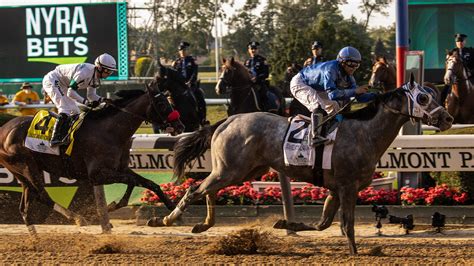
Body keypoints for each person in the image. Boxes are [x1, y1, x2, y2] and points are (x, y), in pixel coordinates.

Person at [290, 46, 373, 146]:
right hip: (300, 82)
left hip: (316, 87)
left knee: (334, 106)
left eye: (356, 65)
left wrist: (378, 96)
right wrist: (355, 91)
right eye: (351, 64)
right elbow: (333, 94)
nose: (353, 68)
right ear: (341, 61)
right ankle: (314, 137)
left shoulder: (349, 77)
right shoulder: (331, 69)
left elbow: (359, 97)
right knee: (317, 105)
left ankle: (330, 133)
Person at [43, 53, 117, 146]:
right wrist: (85, 102)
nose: (109, 74)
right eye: (107, 71)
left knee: (75, 111)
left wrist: (104, 99)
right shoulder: (85, 72)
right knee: (65, 108)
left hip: (63, 84)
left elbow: (91, 96)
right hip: (53, 80)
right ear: (99, 67)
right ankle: (55, 138)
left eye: (111, 72)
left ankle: (67, 136)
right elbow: (71, 93)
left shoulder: (96, 78)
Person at [171, 41, 207, 126]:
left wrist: (190, 82)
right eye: (181, 50)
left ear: (187, 51)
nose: (183, 52)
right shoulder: (176, 62)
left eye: (184, 50)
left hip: (191, 85)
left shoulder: (192, 61)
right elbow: (174, 75)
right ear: (179, 51)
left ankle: (202, 119)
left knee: (200, 96)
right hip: (180, 86)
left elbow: (195, 73)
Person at [244, 41, 270, 110]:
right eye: (251, 49)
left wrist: (257, 78)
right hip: (248, 84)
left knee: (264, 95)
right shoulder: (247, 61)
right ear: (248, 50)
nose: (253, 50)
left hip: (259, 84)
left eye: (255, 49)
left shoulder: (262, 60)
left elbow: (266, 74)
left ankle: (265, 110)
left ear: (258, 50)